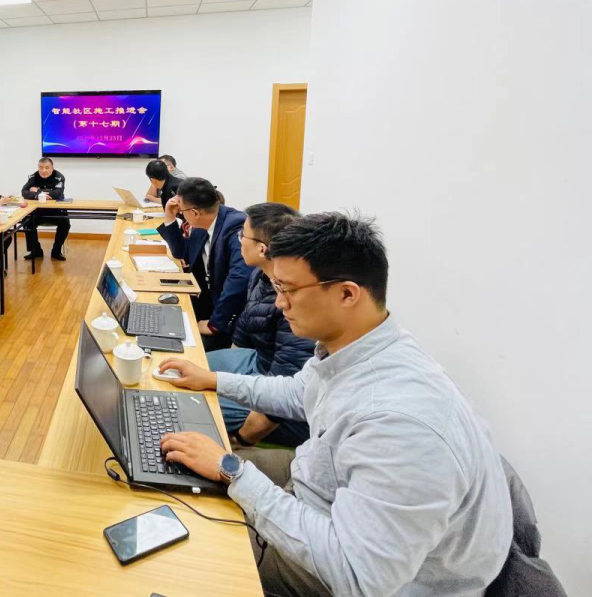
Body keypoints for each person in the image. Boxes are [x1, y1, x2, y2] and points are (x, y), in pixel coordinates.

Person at [158, 213, 512, 597]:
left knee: (192, 546)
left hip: (352, 571)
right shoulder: (358, 347)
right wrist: (212, 380)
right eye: (276, 286)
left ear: (347, 294)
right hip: (322, 489)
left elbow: (356, 577)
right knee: (179, 471)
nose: (279, 303)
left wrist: (232, 471)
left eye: (288, 289)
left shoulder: (400, 425)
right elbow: (298, 393)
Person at [207, 203, 315, 448]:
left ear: (262, 249)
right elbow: (246, 322)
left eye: (242, 235)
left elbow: (284, 392)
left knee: (192, 400)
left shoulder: (297, 304)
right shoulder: (260, 274)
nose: (239, 241)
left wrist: (242, 439)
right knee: (184, 369)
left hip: (278, 389)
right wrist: (230, 368)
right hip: (257, 360)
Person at [157, 177, 251, 350]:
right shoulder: (203, 224)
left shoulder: (235, 225)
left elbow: (240, 277)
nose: (181, 214)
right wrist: (170, 217)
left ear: (194, 213)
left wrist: (214, 324)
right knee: (161, 319)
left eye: (181, 211)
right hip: (206, 301)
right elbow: (181, 253)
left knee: (177, 345)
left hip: (228, 316)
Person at [21, 157, 69, 261]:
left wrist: (38, 190)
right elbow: (24, 192)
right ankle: (36, 250)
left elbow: (57, 194)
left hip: (56, 211)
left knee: (65, 223)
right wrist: (38, 194)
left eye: (47, 168)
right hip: (38, 212)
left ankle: (56, 251)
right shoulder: (33, 177)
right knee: (26, 221)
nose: (43, 170)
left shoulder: (59, 177)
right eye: (41, 167)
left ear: (52, 168)